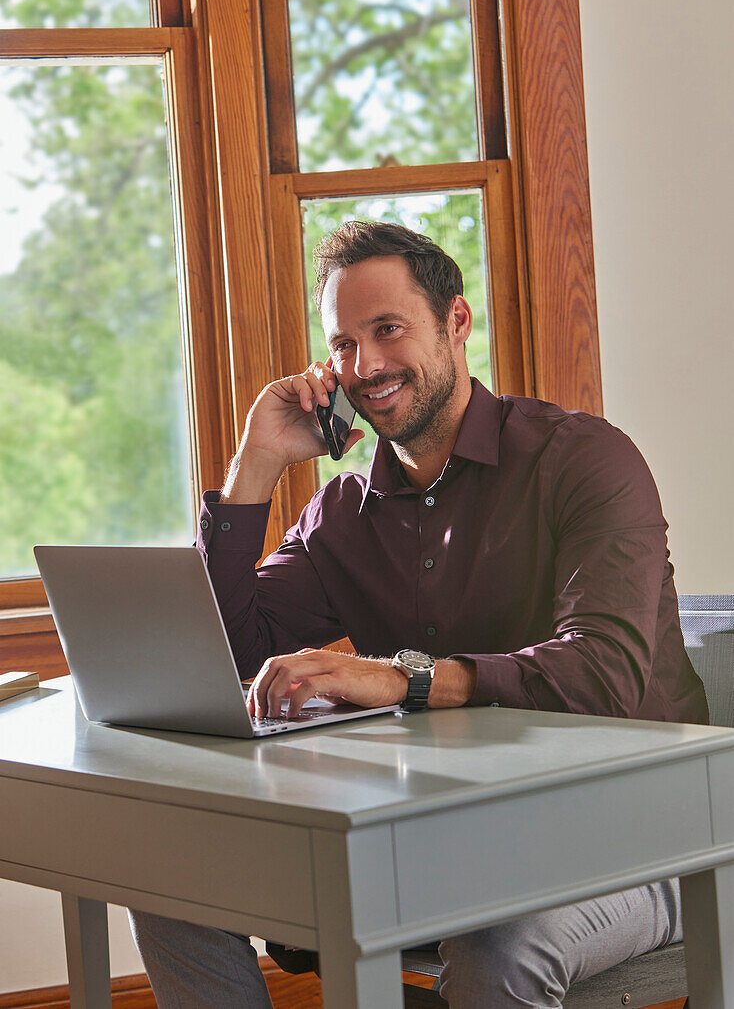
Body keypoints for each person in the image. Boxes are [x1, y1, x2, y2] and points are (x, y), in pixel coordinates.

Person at [130, 221, 707, 1007]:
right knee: (172, 888)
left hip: (643, 837)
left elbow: (605, 672)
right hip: (448, 838)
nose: (363, 366)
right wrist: (254, 465)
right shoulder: (345, 512)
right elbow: (229, 648)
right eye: (342, 343)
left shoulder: (586, 459)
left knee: (499, 942)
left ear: (457, 323)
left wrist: (406, 680)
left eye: (388, 330)